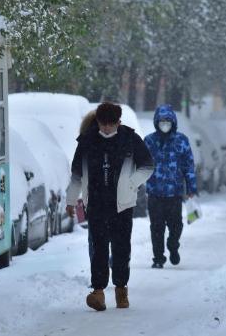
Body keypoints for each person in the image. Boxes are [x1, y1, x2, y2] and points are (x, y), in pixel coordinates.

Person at [66, 102, 154, 311]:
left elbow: (148, 166)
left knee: (121, 247)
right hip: (95, 203)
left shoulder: (130, 139)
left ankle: (121, 289)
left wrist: (131, 184)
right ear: (97, 122)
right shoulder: (87, 141)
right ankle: (98, 292)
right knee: (99, 248)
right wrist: (71, 200)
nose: (107, 128)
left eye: (111, 124)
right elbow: (77, 175)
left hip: (122, 204)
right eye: (103, 124)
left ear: (118, 122)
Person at [144, 104, 197, 269]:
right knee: (157, 227)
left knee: (176, 226)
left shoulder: (181, 141)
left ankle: (173, 246)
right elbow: (141, 165)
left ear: (173, 122)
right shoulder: (149, 141)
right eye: (162, 121)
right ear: (156, 122)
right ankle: (158, 258)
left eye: (168, 121)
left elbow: (189, 165)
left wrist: (191, 188)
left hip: (174, 193)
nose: (164, 124)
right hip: (155, 193)